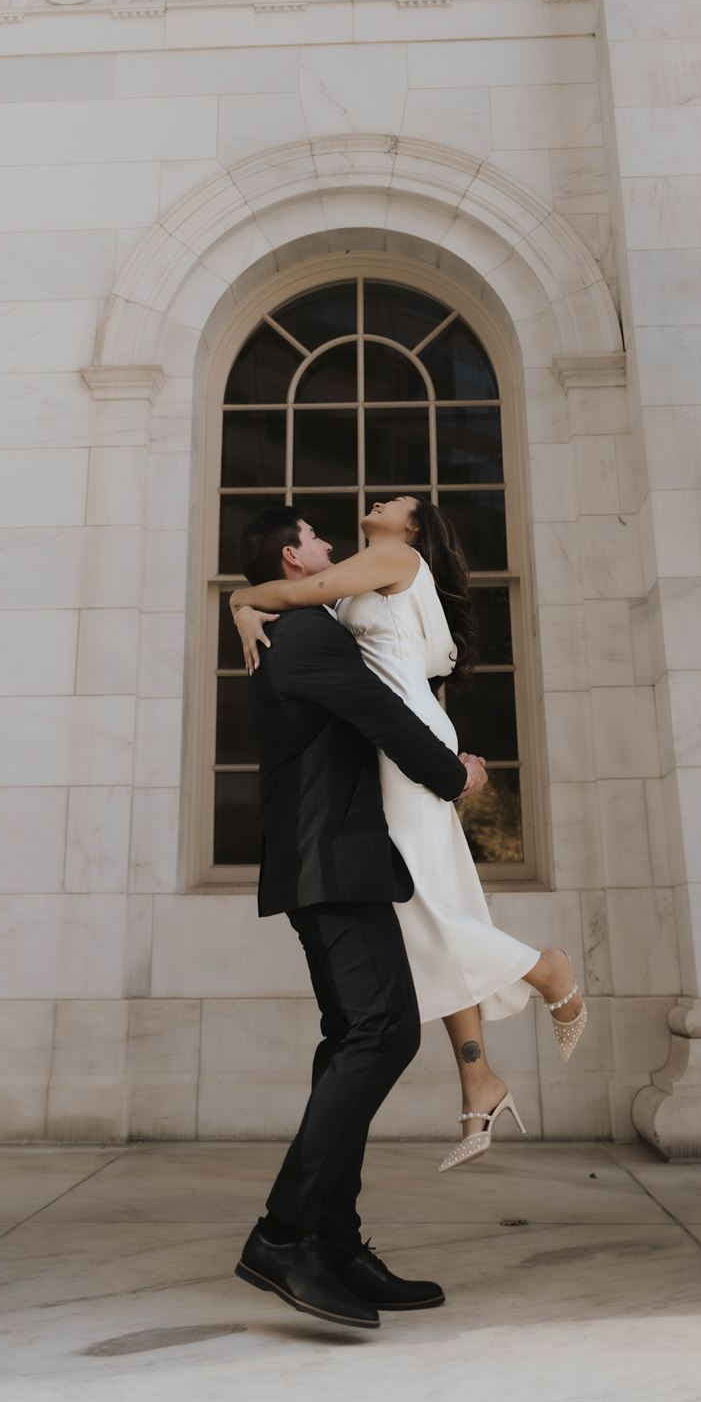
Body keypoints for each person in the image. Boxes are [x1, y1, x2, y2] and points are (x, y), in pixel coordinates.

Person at [231, 496, 587, 1177]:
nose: (379, 501)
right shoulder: (367, 585)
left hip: (408, 745)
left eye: (399, 501)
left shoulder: (393, 558)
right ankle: (477, 1080)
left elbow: (300, 589)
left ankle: (548, 969)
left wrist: (239, 600)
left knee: (420, 904)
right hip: (400, 743)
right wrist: (249, 606)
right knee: (424, 908)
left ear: (414, 528)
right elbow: (313, 602)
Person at [231, 503, 491, 1333]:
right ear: (290, 559)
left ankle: (334, 1245)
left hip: (339, 861)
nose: (330, 544)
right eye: (313, 539)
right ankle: (281, 1235)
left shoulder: (301, 629)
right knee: (382, 1033)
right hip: (329, 863)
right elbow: (383, 719)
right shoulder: (305, 638)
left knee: (355, 1034)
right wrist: (454, 777)